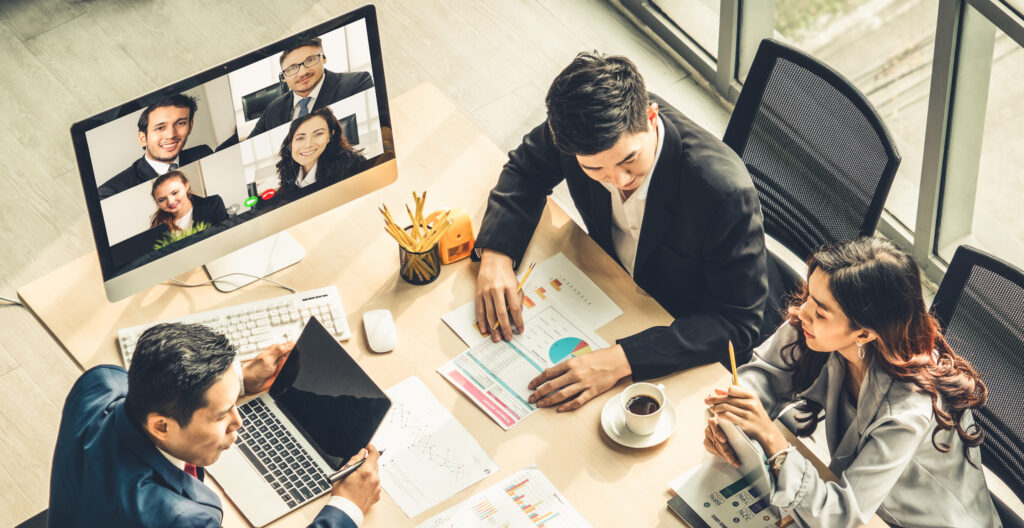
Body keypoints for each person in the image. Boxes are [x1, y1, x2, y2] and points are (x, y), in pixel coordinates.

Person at [474, 52, 768, 412]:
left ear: (650, 117)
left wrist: (622, 360)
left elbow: (738, 323)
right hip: (609, 292)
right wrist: (497, 255)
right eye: (595, 169)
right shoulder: (581, 133)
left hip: (676, 329)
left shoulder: (724, 194)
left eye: (629, 159)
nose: (619, 180)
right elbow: (526, 169)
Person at [703, 237, 999, 528]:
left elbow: (840, 515)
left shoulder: (908, 410)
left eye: (820, 311)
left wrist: (772, 440)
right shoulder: (818, 331)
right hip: (867, 505)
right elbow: (765, 375)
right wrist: (734, 420)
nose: (802, 312)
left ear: (863, 334)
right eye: (809, 296)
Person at [49, 323, 381, 527]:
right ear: (161, 427)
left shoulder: (100, 382)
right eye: (222, 415)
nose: (239, 421)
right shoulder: (182, 519)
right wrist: (346, 507)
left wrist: (240, 381)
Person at [248, 37, 374, 139]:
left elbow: (373, 131)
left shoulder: (356, 84)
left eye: (310, 60)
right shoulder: (272, 110)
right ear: (284, 77)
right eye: (292, 68)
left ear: (323, 58)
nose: (302, 72)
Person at [99, 94, 214, 199]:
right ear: (143, 139)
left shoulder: (204, 153)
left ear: (190, 126)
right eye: (160, 128)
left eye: (180, 123)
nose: (171, 135)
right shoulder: (111, 192)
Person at [259, 107, 366, 209]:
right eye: (300, 138)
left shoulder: (351, 164)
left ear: (330, 135)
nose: (308, 145)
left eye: (318, 134)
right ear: (291, 143)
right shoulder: (290, 170)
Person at [150, 170, 228, 233]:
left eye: (175, 193)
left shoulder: (213, 204)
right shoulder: (157, 224)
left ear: (186, 186)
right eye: (162, 199)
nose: (170, 201)